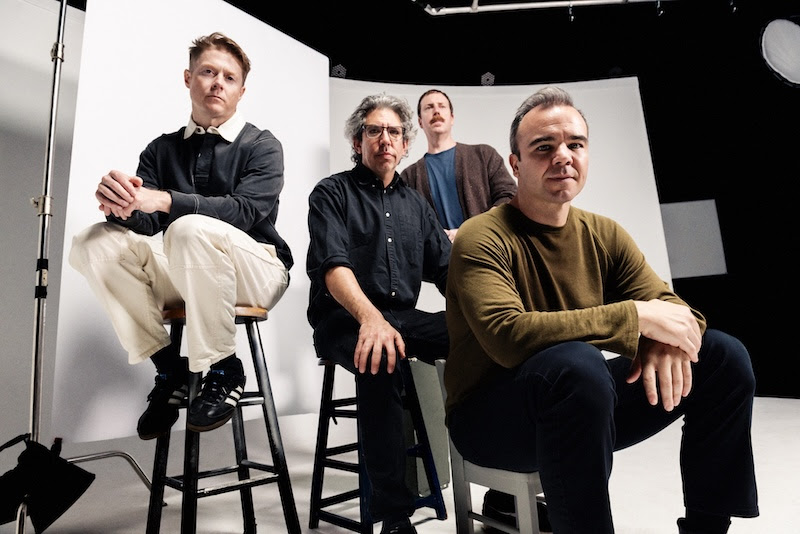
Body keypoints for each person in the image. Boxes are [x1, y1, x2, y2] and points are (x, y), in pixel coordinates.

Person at [444, 86, 758, 534]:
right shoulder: (482, 236)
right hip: (490, 419)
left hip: (579, 401)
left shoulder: (603, 233)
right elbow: (507, 336)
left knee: (723, 357)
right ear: (515, 164)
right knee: (578, 364)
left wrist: (659, 339)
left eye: (575, 144)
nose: (563, 156)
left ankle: (706, 529)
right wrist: (636, 319)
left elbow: (677, 312)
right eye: (543, 147)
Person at [68, 32, 292, 440]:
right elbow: (149, 225)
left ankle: (224, 367)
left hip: (257, 269)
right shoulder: (161, 149)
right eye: (208, 72)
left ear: (241, 91)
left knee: (189, 227)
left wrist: (163, 199)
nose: (217, 83)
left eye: (229, 77)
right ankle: (169, 369)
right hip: (186, 265)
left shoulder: (262, 144)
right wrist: (122, 206)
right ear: (188, 78)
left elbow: (244, 212)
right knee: (93, 242)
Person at [306, 93, 451, 534]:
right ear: (358, 141)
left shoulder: (417, 205)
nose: (384, 139)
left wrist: (490, 316)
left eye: (394, 132)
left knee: (485, 336)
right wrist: (370, 319)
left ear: (405, 145)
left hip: (401, 319)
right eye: (374, 130)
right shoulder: (331, 193)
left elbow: (448, 272)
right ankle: (394, 516)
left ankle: (501, 477)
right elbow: (333, 267)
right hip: (343, 320)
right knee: (379, 355)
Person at [400, 89, 517, 242]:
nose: (436, 111)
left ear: (452, 118)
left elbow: (509, 196)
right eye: (429, 107)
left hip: (486, 249)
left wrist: (473, 230)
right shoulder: (409, 176)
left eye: (442, 106)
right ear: (420, 122)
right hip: (438, 256)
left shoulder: (484, 155)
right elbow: (406, 223)